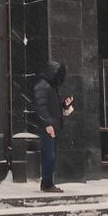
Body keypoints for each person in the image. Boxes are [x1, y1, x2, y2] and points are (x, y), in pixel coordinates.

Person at [32, 60, 74, 193]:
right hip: (48, 128)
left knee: (51, 156)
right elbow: (41, 107)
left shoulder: (50, 86)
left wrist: (65, 105)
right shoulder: (43, 86)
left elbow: (50, 107)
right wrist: (47, 124)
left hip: (52, 127)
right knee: (49, 156)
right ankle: (47, 184)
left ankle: (47, 183)